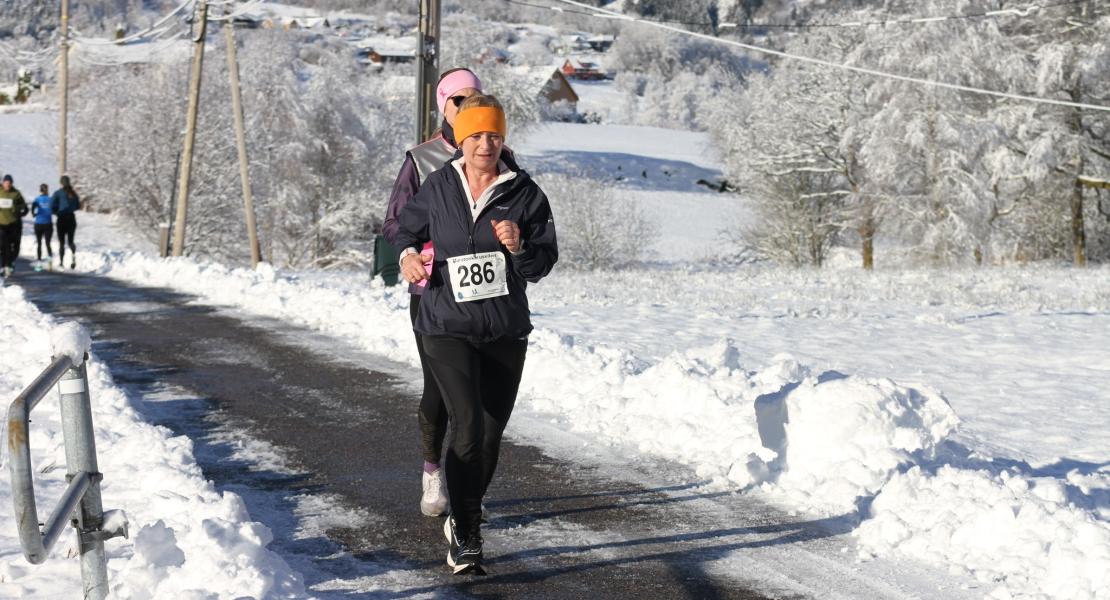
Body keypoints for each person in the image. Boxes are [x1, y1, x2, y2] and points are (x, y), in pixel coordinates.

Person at [394, 94, 558, 574]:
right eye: (475, 135)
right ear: (460, 138)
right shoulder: (440, 185)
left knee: (488, 435)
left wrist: (521, 245)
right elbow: (403, 230)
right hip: (445, 325)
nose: (485, 144)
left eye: (493, 135)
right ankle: (467, 532)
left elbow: (543, 262)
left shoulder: (525, 193)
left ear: (503, 140)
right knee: (467, 425)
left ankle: (464, 511)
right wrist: (407, 256)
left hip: (504, 329)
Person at [382, 67, 483, 518]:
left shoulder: (499, 154)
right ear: (442, 105)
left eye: (474, 97)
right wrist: (408, 253)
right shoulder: (422, 159)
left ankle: (468, 490)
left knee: (478, 392)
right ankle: (432, 472)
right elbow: (395, 223)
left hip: (485, 295)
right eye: (457, 99)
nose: (465, 107)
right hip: (434, 291)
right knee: (441, 388)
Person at [0, 174, 28, 278]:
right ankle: (4, 266)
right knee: (4, 246)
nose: (8, 185)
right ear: (3, 183)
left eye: (9, 183)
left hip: (13, 224)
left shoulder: (16, 194)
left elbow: (25, 208)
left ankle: (9, 263)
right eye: (6, 182)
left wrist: (18, 211)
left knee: (14, 248)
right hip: (1, 224)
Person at [51, 175, 80, 270]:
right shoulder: (73, 193)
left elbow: (51, 205)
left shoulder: (58, 193)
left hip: (62, 218)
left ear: (61, 183)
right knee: (71, 241)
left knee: (62, 242)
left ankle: (61, 262)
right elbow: (78, 206)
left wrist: (56, 212)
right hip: (71, 218)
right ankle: (73, 256)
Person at [31, 184, 54, 268]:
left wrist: (34, 214)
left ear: (40, 190)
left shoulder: (37, 199)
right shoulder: (50, 199)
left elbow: (33, 208)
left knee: (39, 243)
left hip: (39, 223)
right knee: (48, 243)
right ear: (47, 190)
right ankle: (50, 259)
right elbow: (55, 208)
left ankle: (39, 261)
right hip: (48, 223)